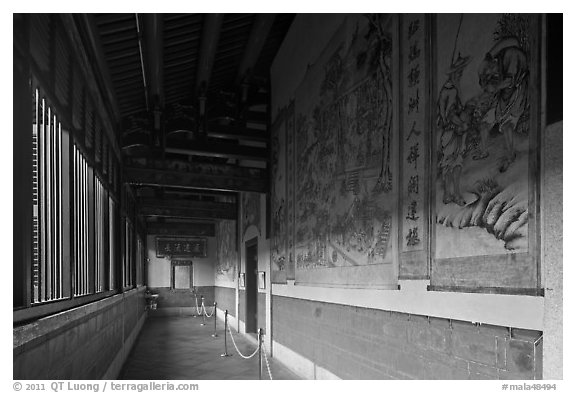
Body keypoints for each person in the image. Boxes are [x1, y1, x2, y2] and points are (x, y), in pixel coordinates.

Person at [437, 53, 472, 206]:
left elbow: (463, 106)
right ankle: (447, 193)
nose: (460, 75)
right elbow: (444, 114)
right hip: (449, 132)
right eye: (458, 73)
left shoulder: (457, 90)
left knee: (457, 164)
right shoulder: (445, 92)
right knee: (447, 165)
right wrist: (454, 121)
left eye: (461, 73)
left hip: (458, 132)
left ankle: (457, 193)